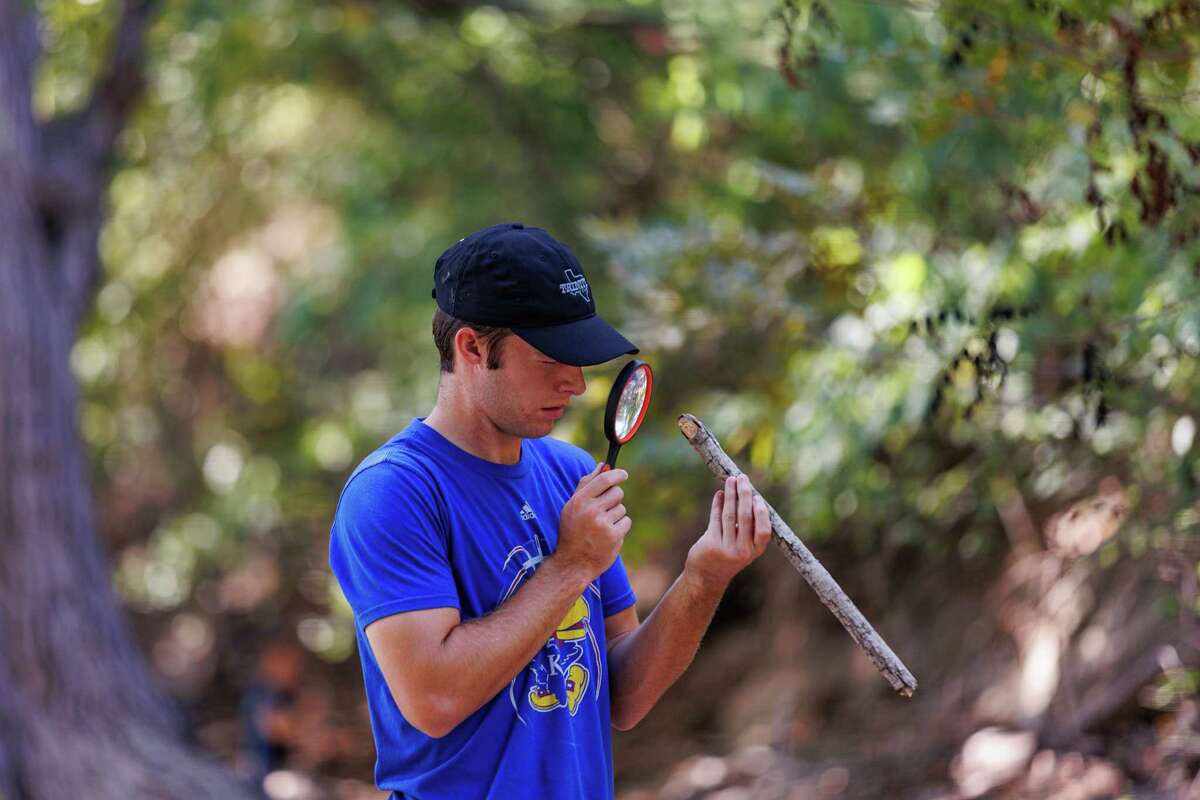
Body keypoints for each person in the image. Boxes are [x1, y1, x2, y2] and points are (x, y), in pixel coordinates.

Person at [328, 222, 773, 799]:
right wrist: (569, 566)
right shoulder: (393, 493)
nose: (579, 385)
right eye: (552, 359)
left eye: (582, 358)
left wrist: (705, 576)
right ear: (470, 348)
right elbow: (433, 701)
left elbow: (625, 696)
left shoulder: (568, 473)